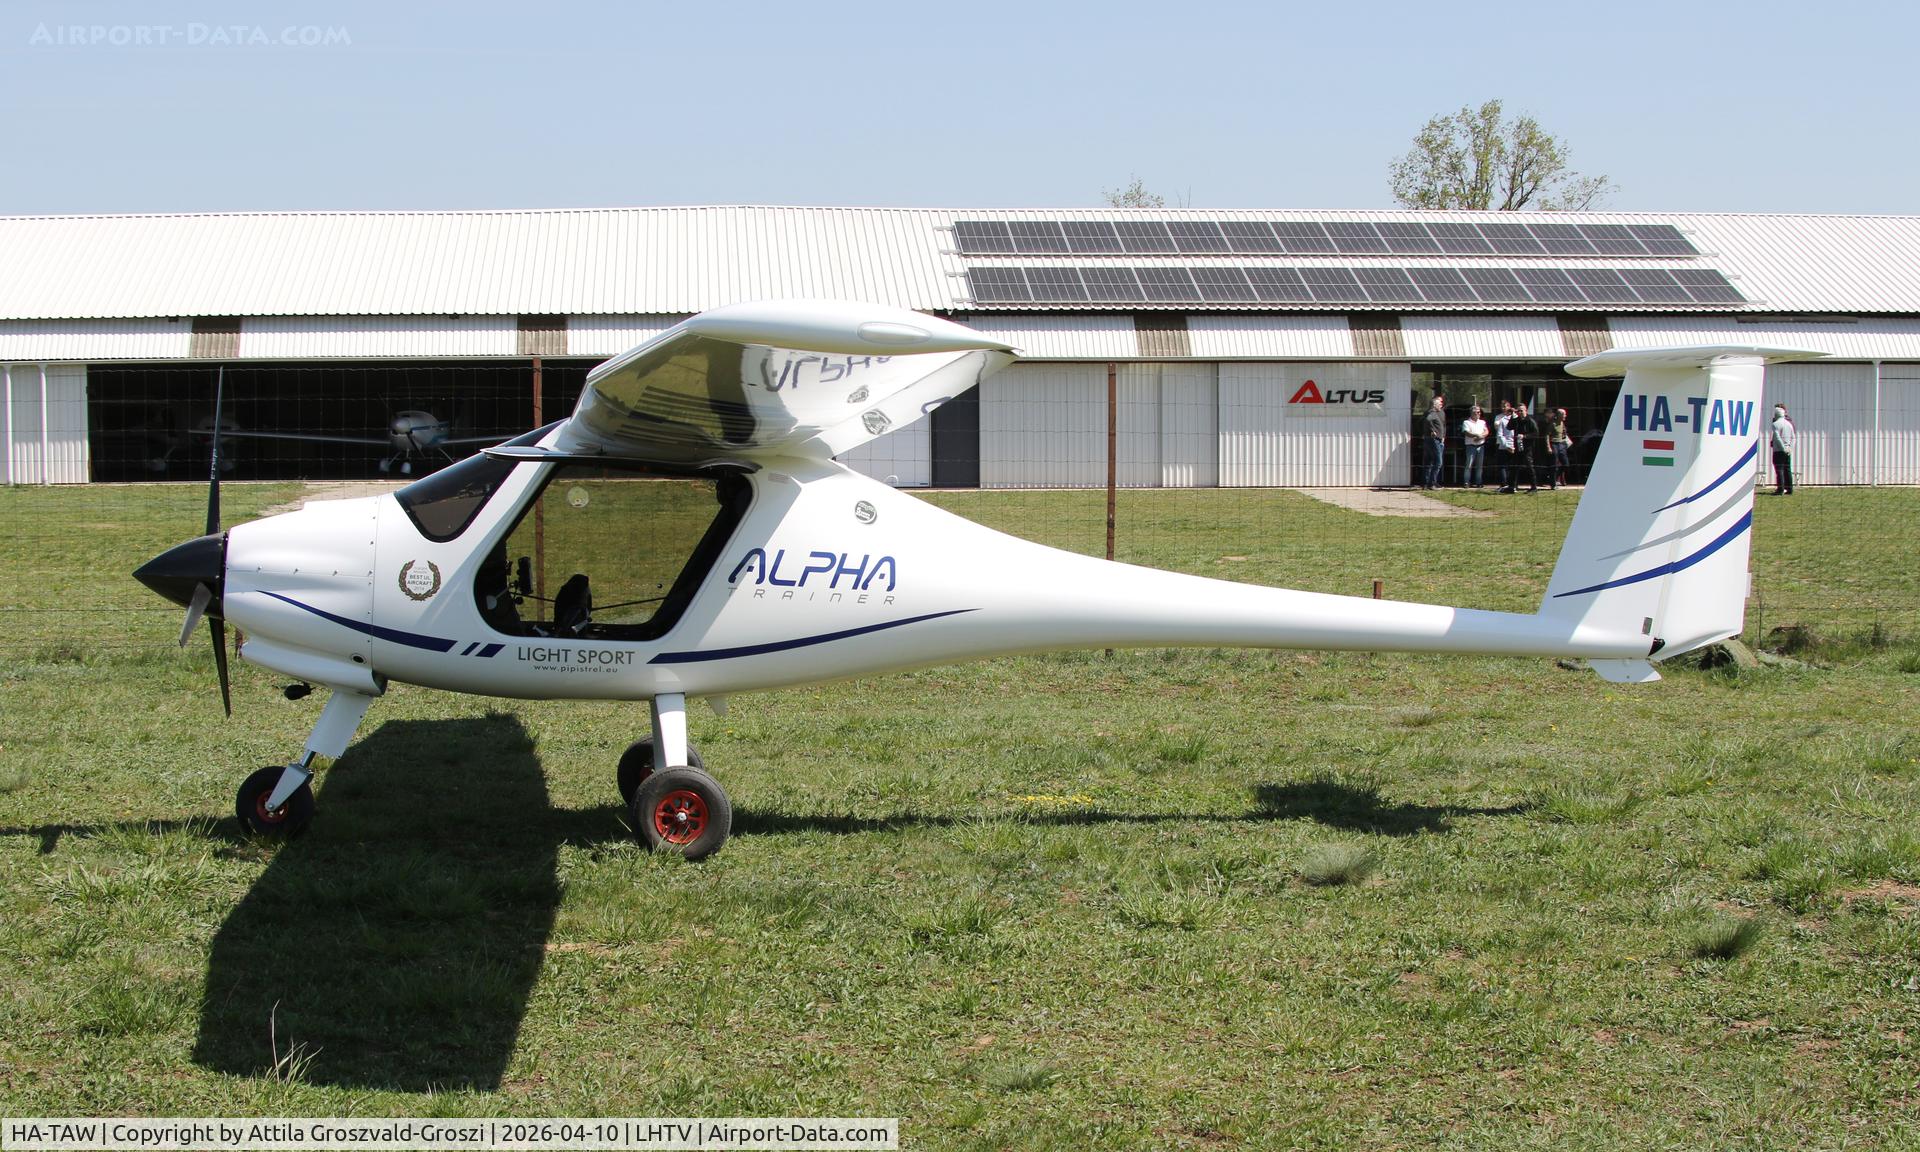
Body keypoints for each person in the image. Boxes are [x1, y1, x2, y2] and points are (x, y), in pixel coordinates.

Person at [1508, 402, 1540, 493]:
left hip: (1527, 448)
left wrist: (1525, 436)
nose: (1520, 413)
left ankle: (1534, 487)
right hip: (1518, 447)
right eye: (1518, 411)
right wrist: (1512, 416)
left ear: (1526, 411)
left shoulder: (1530, 421)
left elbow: (1536, 433)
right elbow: (1509, 427)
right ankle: (1512, 486)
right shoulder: (1516, 420)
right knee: (1515, 467)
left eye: (1522, 411)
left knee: (1529, 466)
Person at [1460, 403, 1488, 488]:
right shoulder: (1466, 422)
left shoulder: (1482, 422)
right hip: (1470, 446)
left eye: (1479, 412)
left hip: (1481, 445)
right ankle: (1466, 482)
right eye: (1476, 412)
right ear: (1471, 413)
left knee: (1479, 466)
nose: (1478, 414)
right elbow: (1466, 432)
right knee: (1469, 465)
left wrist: (1481, 436)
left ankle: (1479, 482)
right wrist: (1476, 435)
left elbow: (1486, 431)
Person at [1422, 394, 1446, 489]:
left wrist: (1443, 435)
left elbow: (1443, 425)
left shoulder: (1442, 413)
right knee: (1438, 461)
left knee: (1431, 461)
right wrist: (1433, 430)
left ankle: (1430, 483)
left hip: (1440, 439)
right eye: (1440, 403)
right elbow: (1427, 420)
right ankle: (1431, 483)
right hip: (1433, 440)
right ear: (1434, 404)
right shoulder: (1431, 413)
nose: (1441, 404)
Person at [1770, 402, 1795, 494]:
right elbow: (1793, 437)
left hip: (1779, 450)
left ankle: (1780, 489)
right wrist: (1790, 448)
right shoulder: (1789, 424)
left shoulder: (1775, 424)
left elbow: (1777, 437)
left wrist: (1783, 448)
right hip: (1788, 449)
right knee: (1787, 469)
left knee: (1779, 470)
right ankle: (1790, 489)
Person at [1492, 400, 1515, 493]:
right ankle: (1504, 484)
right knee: (1502, 465)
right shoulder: (1499, 417)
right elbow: (1497, 427)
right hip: (1501, 443)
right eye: (1502, 406)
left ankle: (1511, 484)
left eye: (1505, 406)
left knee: (1511, 465)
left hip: (1512, 444)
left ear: (1509, 407)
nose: (1503, 408)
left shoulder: (1514, 417)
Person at [1548, 408, 1572, 488]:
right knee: (1554, 464)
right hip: (1554, 444)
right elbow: (1547, 435)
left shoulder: (1562, 423)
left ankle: (1553, 477)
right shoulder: (1553, 424)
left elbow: (1564, 433)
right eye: (1564, 414)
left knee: (1566, 464)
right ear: (1559, 415)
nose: (1565, 416)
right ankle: (1553, 483)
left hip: (1562, 444)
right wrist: (1548, 447)